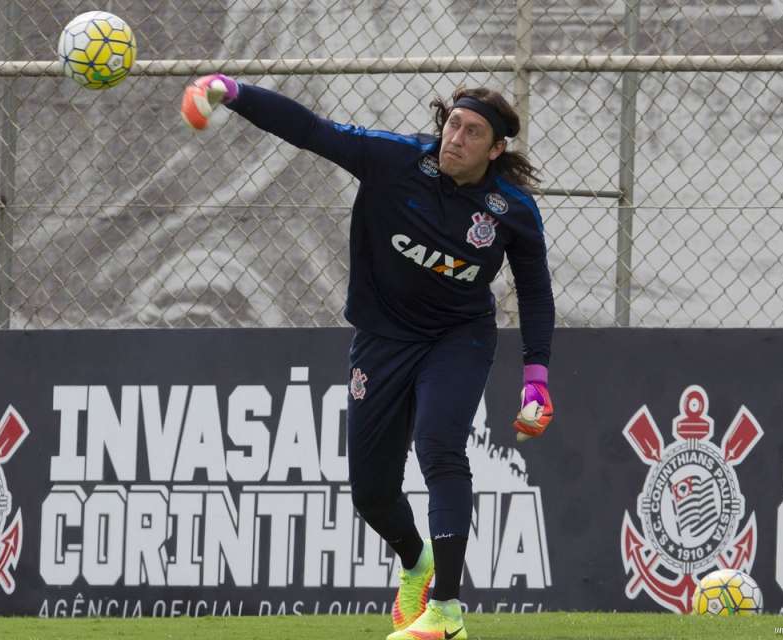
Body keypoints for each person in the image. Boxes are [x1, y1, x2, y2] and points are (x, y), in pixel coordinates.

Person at [182, 75, 555, 640]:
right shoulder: (394, 159)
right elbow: (311, 131)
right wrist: (232, 91)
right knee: (371, 493)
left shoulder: (512, 210)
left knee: (439, 445)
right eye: (453, 123)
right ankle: (416, 563)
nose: (456, 137)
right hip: (382, 340)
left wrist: (536, 379)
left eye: (473, 132)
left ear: (495, 149)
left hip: (459, 337)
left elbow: (535, 291)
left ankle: (447, 610)